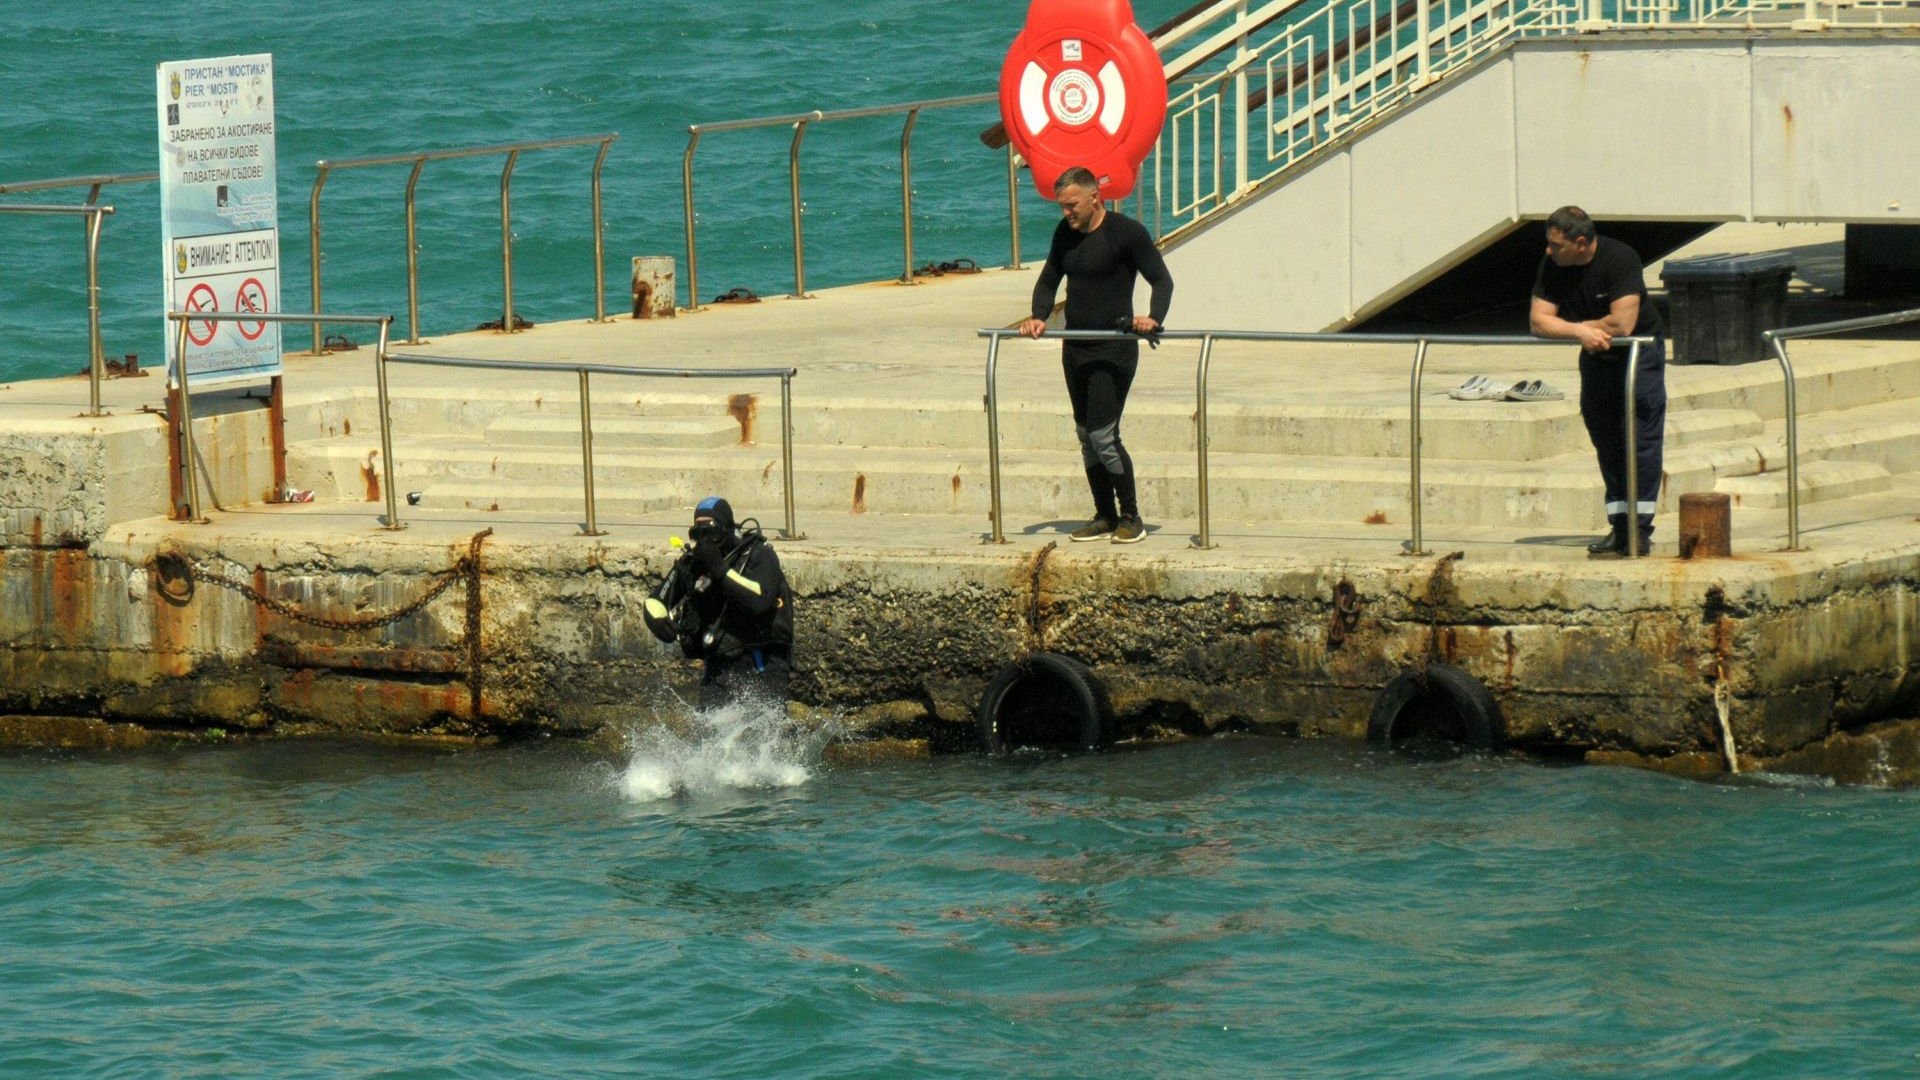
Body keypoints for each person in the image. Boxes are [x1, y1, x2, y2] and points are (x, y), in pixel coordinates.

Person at [1018, 165, 1174, 545]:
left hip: (1114, 348)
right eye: (1062, 206)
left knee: (1104, 435)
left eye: (1072, 205)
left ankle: (1131, 516)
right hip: (1076, 347)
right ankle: (1104, 514)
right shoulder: (1065, 234)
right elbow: (1050, 277)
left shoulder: (1127, 233)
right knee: (1086, 435)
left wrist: (1153, 318)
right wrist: (1038, 316)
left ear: (1094, 197)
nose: (1066, 213)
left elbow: (1161, 279)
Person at [1529, 206, 1666, 558]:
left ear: (1580, 243)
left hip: (1636, 356)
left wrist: (1579, 327)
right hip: (1595, 357)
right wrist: (1580, 331)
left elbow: (1622, 325)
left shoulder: (1620, 258)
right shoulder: (1553, 266)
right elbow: (1539, 322)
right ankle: (1619, 528)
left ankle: (1639, 530)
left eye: (1556, 245)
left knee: (1639, 440)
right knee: (1607, 440)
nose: (1549, 251)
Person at [642, 496, 794, 709]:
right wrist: (656, 620)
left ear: (728, 529)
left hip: (763, 663)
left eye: (712, 532)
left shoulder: (759, 556)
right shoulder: (695, 562)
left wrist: (718, 568)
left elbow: (760, 600)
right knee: (712, 735)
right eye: (698, 534)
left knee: (761, 732)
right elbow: (656, 600)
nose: (705, 541)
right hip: (719, 667)